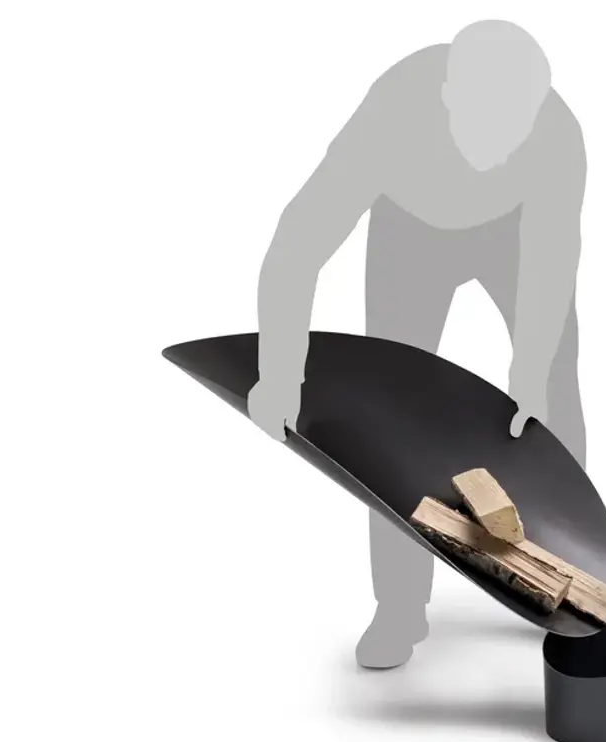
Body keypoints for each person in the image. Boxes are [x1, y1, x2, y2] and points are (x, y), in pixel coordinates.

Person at [247, 20, 588, 668]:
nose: (497, 148)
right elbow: (298, 243)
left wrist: (531, 369)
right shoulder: (394, 110)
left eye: (513, 130)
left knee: (553, 392)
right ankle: (400, 606)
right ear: (448, 96)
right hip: (411, 232)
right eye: (483, 126)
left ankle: (561, 587)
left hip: (515, 235)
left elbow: (552, 258)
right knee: (390, 414)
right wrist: (281, 371)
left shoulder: (557, 135)